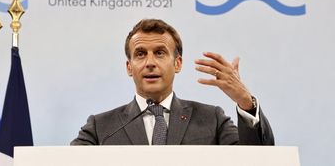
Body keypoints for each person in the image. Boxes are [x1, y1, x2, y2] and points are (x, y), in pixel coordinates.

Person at [71, 19, 274, 145]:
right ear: (129, 67)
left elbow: (258, 160)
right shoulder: (101, 128)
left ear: (177, 63)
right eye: (140, 54)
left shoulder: (212, 119)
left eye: (160, 53)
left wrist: (246, 103)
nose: (150, 63)